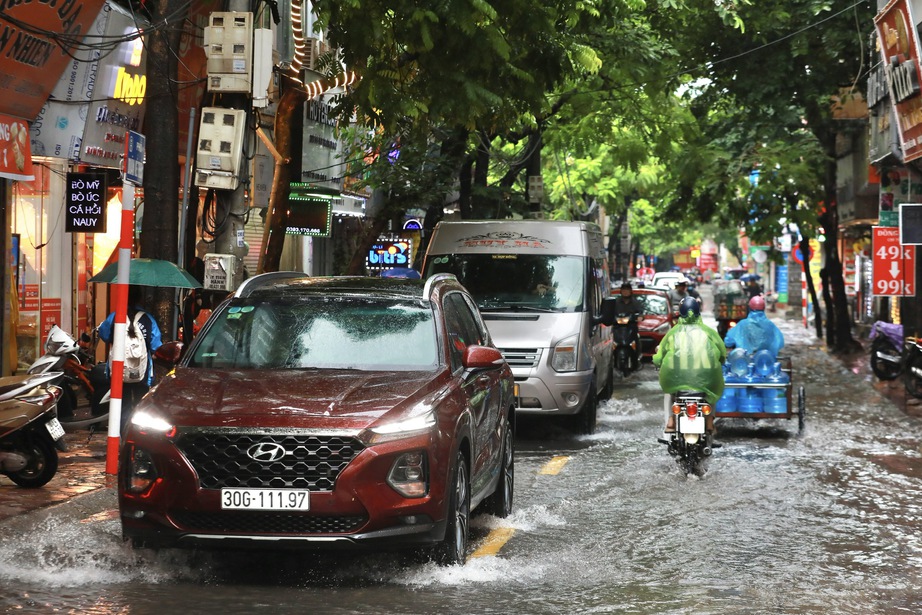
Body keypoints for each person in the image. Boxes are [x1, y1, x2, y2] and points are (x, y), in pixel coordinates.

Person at [652, 296, 726, 434]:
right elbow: (722, 354)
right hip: (705, 383)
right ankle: (709, 420)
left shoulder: (673, 333)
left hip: (676, 383)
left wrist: (657, 361)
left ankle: (671, 420)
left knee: (669, 393)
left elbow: (659, 356)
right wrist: (720, 362)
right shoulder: (709, 332)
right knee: (712, 393)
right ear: (699, 312)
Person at [96, 287, 163, 426]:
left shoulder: (115, 317)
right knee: (141, 406)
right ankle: (138, 436)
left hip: (119, 371)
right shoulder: (148, 319)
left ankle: (121, 436)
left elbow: (104, 335)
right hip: (142, 372)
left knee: (121, 406)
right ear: (140, 298)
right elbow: (156, 345)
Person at [614, 282, 644, 369]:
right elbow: (610, 313)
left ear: (631, 291)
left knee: (636, 341)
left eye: (627, 290)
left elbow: (641, 313)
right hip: (618, 329)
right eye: (624, 290)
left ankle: (636, 359)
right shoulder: (616, 302)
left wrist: (640, 317)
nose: (625, 292)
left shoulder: (635, 302)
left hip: (631, 329)